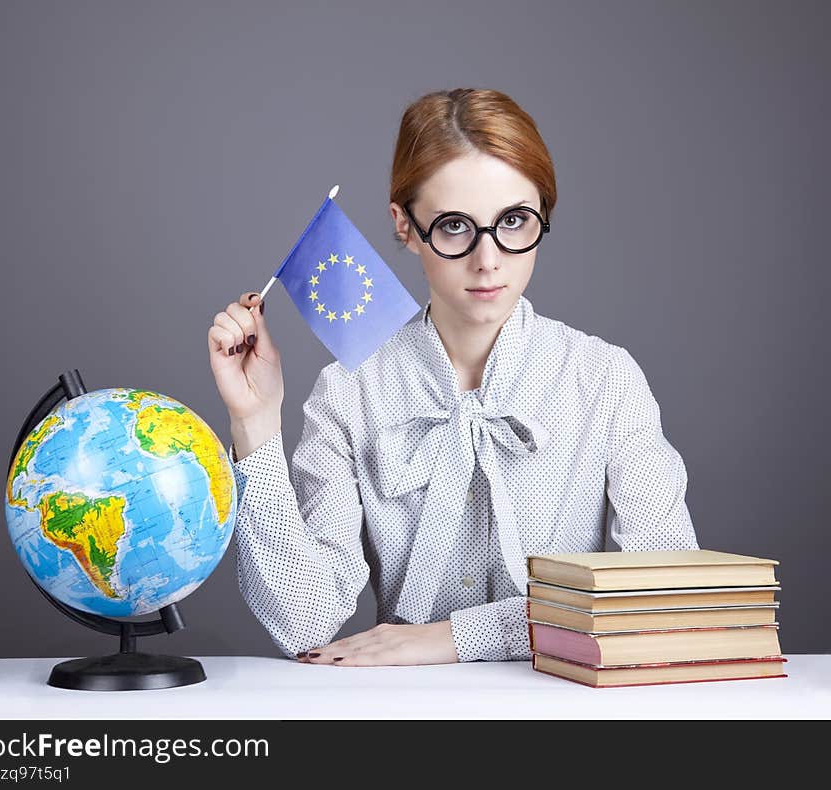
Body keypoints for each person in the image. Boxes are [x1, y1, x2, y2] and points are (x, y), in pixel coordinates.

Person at [207, 87, 699, 667]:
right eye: (454, 226)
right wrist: (255, 422)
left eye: (515, 221)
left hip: (568, 705)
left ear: (544, 212)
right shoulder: (350, 392)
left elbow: (666, 594)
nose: (488, 259)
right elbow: (304, 620)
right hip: (406, 708)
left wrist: (456, 638)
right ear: (405, 226)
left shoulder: (605, 382)